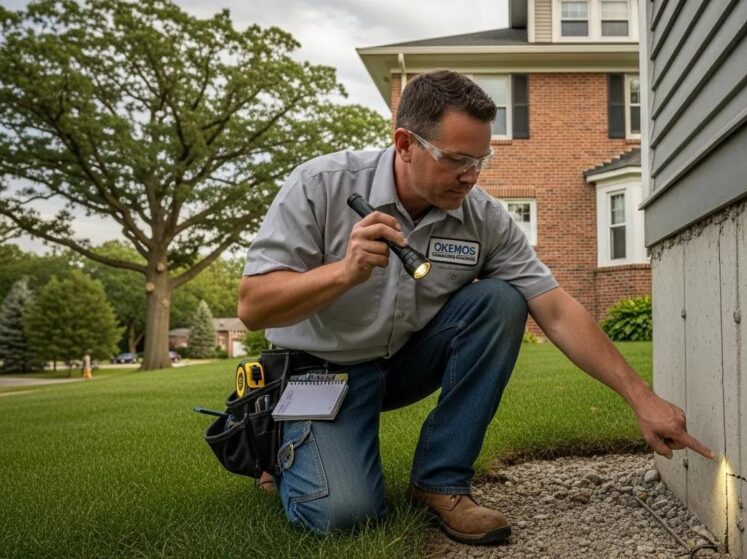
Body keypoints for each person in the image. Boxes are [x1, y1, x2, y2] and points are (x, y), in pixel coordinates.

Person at [237, 70, 714, 545]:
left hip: (403, 361)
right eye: (457, 159)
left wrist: (641, 398)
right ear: (405, 143)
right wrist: (343, 272)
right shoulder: (321, 185)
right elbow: (253, 306)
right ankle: (276, 439)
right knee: (344, 515)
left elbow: (556, 308)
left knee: (501, 299)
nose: (472, 175)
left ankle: (440, 482)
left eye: (481, 159)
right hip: (324, 371)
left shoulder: (482, 217)